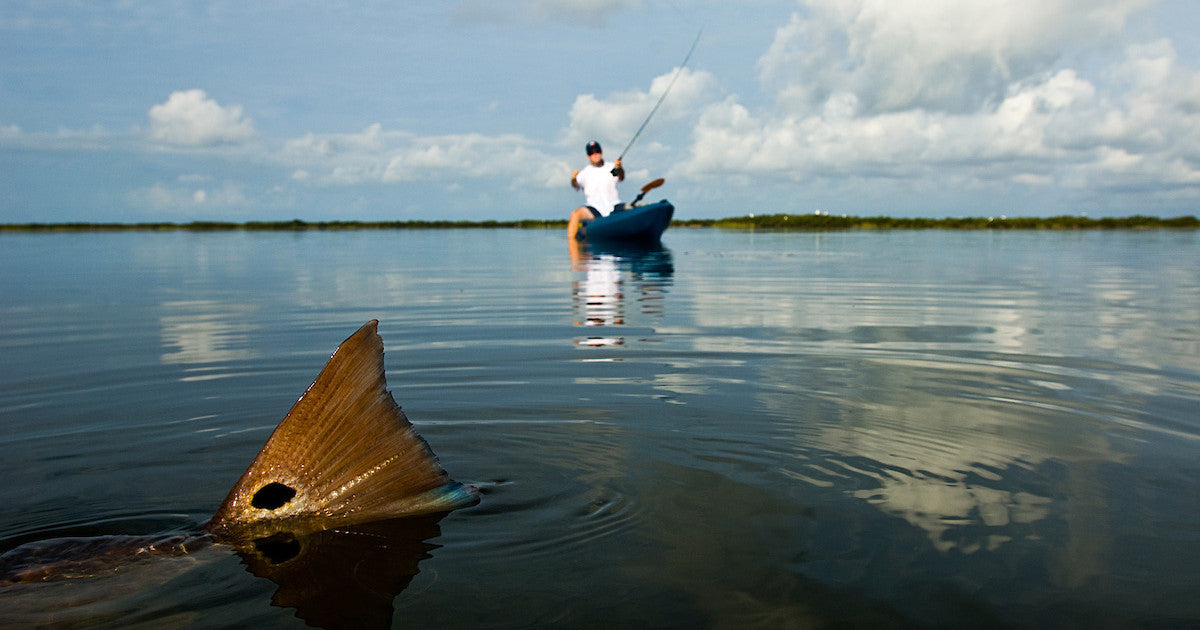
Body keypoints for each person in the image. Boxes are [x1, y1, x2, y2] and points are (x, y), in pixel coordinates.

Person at [568, 141, 624, 240]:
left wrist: (619, 168)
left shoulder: (611, 168)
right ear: (588, 155)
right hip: (594, 208)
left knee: (631, 209)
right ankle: (572, 247)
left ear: (601, 151)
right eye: (591, 153)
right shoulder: (584, 173)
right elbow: (575, 184)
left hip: (614, 205)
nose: (595, 154)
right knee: (575, 214)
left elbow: (620, 177)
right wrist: (573, 178)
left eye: (597, 151)